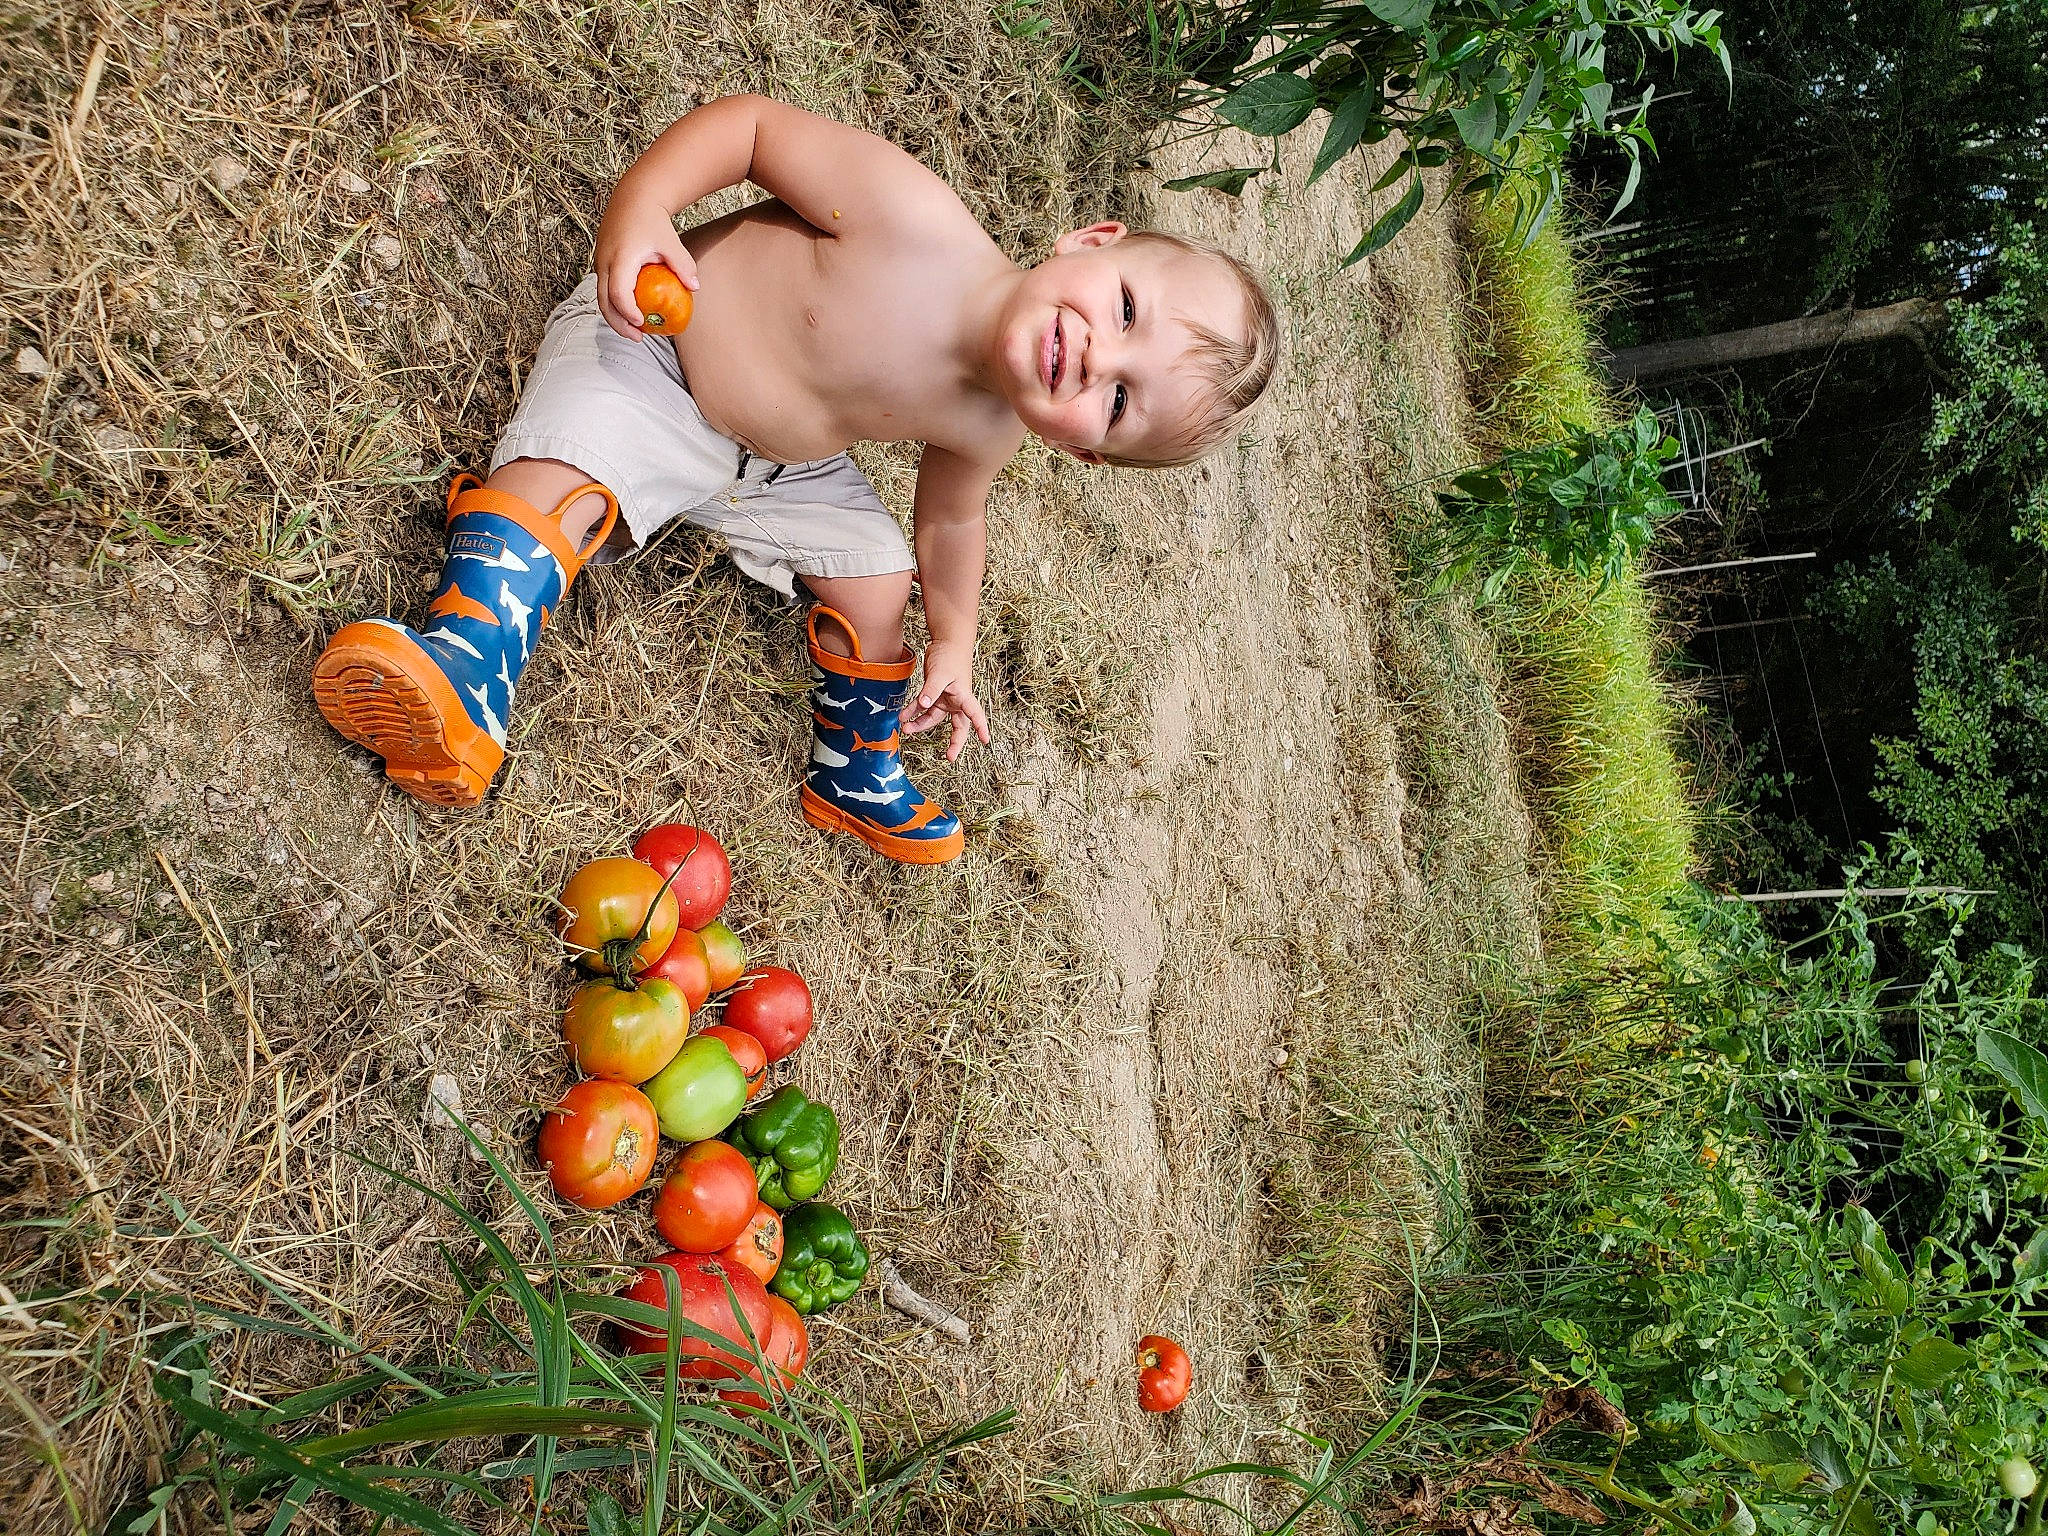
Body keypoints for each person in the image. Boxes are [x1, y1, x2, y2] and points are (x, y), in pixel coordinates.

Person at [311, 94, 1280, 864]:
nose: (1093, 357)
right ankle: (466, 668)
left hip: (775, 468)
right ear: (1091, 241)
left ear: (1084, 452)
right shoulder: (914, 220)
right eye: (1121, 310)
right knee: (562, 473)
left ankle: (852, 769)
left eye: (1116, 401)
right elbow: (751, 130)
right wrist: (643, 207)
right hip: (653, 355)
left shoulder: (989, 425)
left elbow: (951, 521)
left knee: (877, 574)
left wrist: (954, 642)